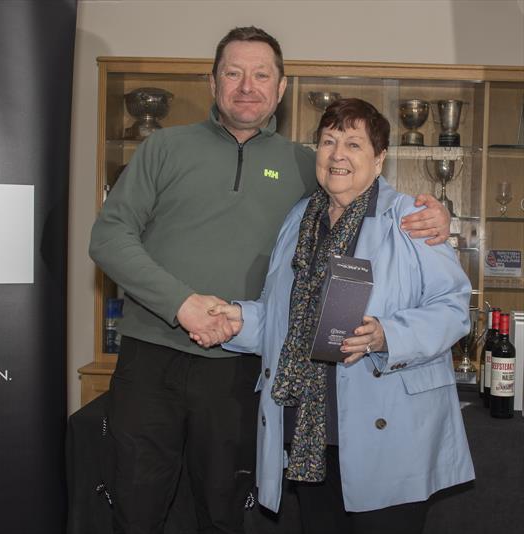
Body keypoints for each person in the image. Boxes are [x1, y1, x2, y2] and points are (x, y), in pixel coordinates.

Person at [89, 26, 451, 534]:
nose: (246, 85)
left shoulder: (305, 165)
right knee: (136, 502)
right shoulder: (163, 148)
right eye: (233, 73)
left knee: (223, 508)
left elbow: (365, 190)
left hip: (237, 368)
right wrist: (182, 304)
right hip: (152, 357)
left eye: (262, 75)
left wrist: (435, 215)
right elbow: (108, 238)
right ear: (212, 82)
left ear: (281, 89)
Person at [201, 98, 474, 534]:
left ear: (379, 158)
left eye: (354, 143)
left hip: (387, 430)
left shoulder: (411, 218)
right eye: (328, 141)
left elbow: (455, 308)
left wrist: (388, 335)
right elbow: (279, 317)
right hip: (311, 433)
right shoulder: (298, 219)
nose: (338, 154)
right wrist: (234, 319)